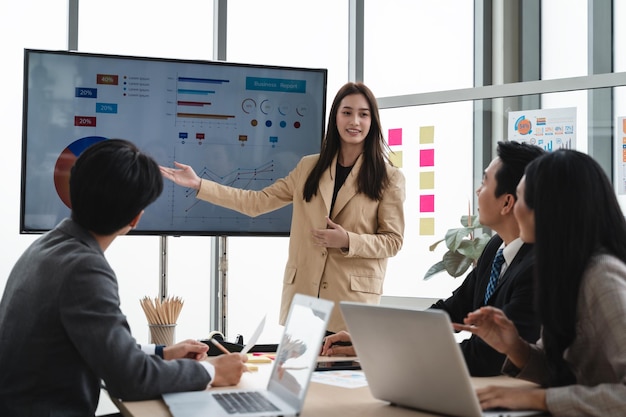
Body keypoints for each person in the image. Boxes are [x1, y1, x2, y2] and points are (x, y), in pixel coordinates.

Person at [0, 139, 248, 416]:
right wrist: (209, 371)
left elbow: (96, 344)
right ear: (136, 218)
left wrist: (161, 353)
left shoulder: (47, 246)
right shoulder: (84, 269)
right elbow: (130, 380)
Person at [160, 82, 406, 333]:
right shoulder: (308, 168)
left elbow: (393, 241)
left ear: (372, 121)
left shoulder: (389, 178)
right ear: (335, 117)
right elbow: (256, 202)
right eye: (347, 112)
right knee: (295, 372)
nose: (355, 121)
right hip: (305, 303)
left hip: (351, 304)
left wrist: (347, 240)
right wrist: (200, 184)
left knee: (344, 374)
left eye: (363, 114)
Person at [322, 140, 544, 377]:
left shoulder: (537, 269)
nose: (478, 191)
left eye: (484, 183)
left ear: (507, 202)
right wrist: (371, 340)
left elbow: (486, 356)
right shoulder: (495, 248)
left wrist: (386, 351)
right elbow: (449, 311)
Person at [455, 149, 626, 416]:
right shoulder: (565, 271)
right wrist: (515, 347)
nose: (516, 209)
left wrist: (539, 401)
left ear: (549, 208)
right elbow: (560, 370)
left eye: (522, 198)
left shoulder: (602, 278)